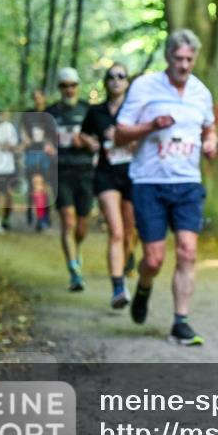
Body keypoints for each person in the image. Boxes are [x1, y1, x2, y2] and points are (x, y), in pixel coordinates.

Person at [115, 29, 218, 346]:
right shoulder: (145, 87)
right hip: (149, 182)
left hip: (187, 183)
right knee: (154, 259)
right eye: (178, 58)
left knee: (188, 251)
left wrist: (211, 142)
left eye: (189, 59)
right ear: (167, 57)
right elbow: (119, 134)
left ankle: (180, 322)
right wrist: (150, 125)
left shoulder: (201, 92)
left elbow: (209, 128)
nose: (184, 65)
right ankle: (144, 286)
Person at [79, 63, 138, 309]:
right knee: (116, 231)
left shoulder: (136, 110)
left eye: (121, 76)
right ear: (105, 82)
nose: (116, 80)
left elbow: (147, 137)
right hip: (106, 175)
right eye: (111, 77)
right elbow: (83, 134)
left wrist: (129, 140)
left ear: (127, 82)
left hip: (133, 175)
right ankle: (118, 288)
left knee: (129, 232)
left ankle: (128, 259)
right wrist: (89, 143)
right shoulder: (96, 112)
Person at [46, 67, 95, 291]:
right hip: (60, 173)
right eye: (65, 86)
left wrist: (85, 142)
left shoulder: (88, 110)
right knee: (68, 221)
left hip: (85, 172)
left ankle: (77, 250)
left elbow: (98, 142)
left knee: (82, 227)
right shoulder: (50, 113)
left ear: (78, 86)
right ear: (59, 88)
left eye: (73, 85)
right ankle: (74, 270)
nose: (69, 89)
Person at [21, 89, 57, 227]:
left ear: (44, 97)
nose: (37, 99)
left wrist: (51, 145)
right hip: (32, 153)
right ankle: (39, 217)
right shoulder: (28, 114)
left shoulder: (51, 113)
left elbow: (56, 134)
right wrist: (27, 141)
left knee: (46, 186)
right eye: (34, 97)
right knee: (36, 184)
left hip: (48, 155)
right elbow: (23, 131)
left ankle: (45, 214)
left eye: (39, 96)